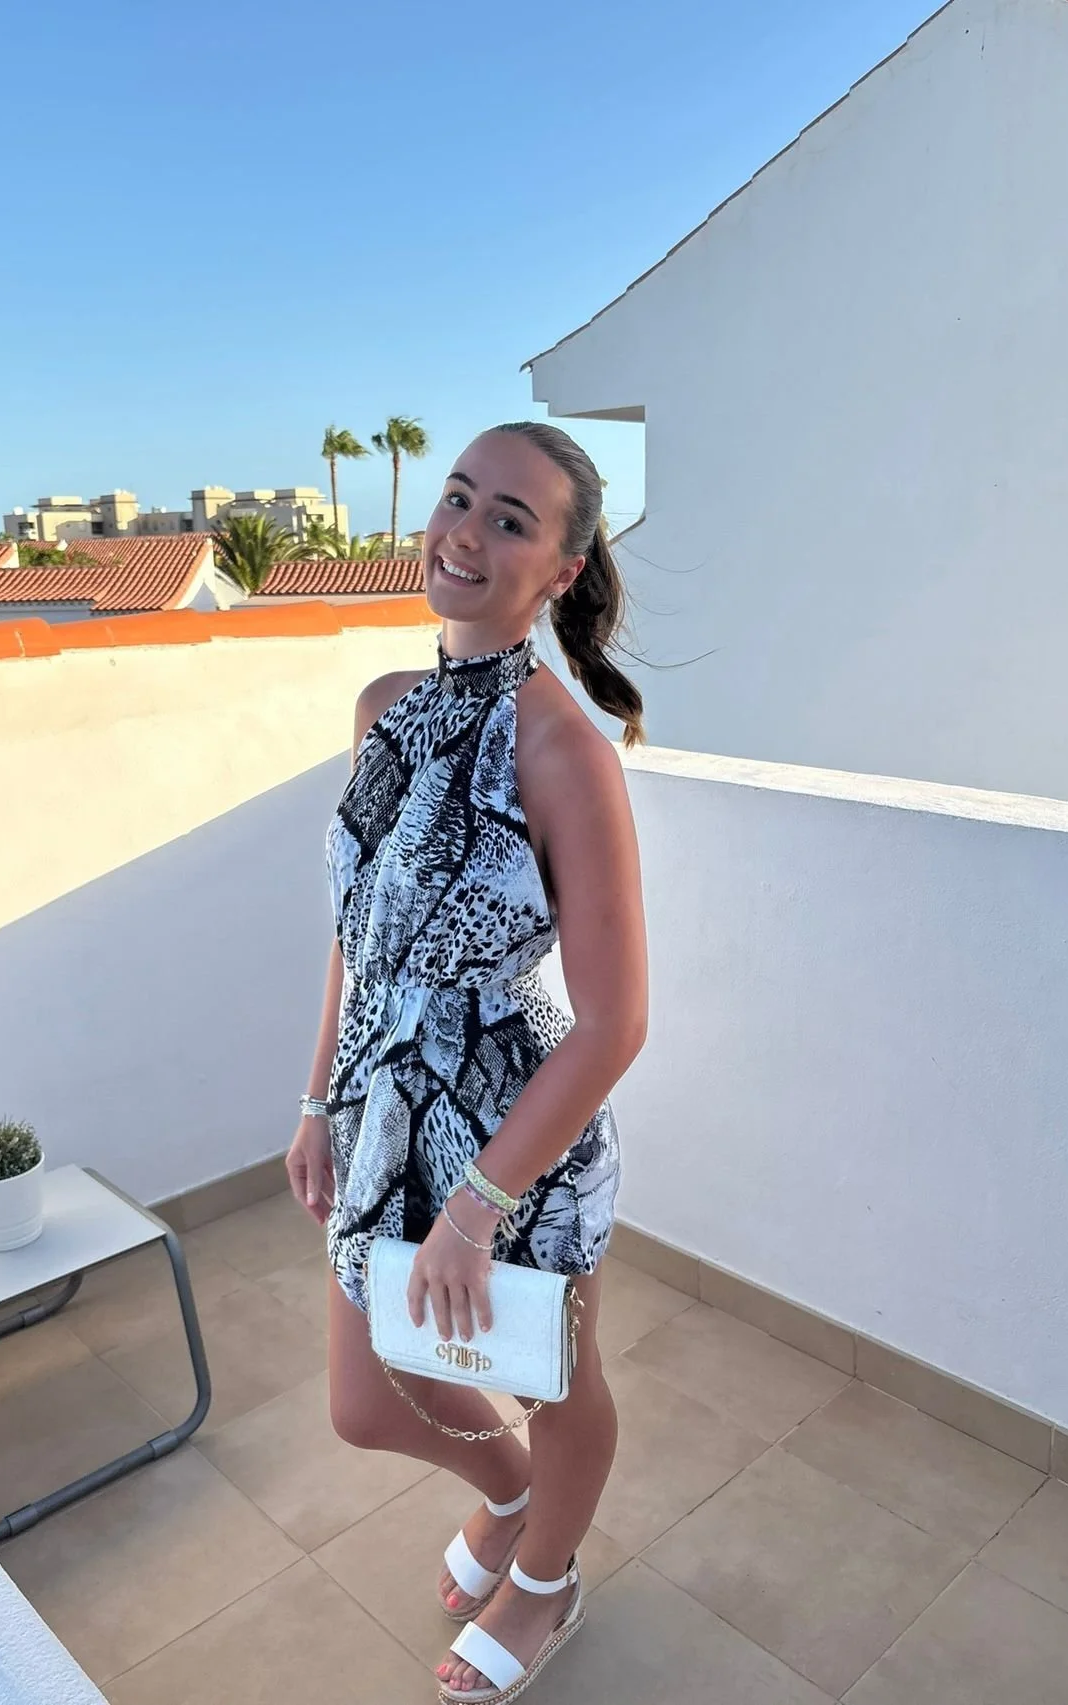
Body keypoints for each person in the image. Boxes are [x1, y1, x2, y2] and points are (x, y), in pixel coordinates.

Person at [286, 420, 649, 1702]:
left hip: (513, 1139)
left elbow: (612, 1023)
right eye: (458, 499)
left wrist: (476, 1209)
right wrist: (321, 1094)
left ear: (560, 569)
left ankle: (545, 1579)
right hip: (378, 1117)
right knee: (366, 1399)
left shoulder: (562, 751)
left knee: (554, 1381)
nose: (465, 533)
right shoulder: (383, 706)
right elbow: (357, 925)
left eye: (510, 520)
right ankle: (508, 1499)